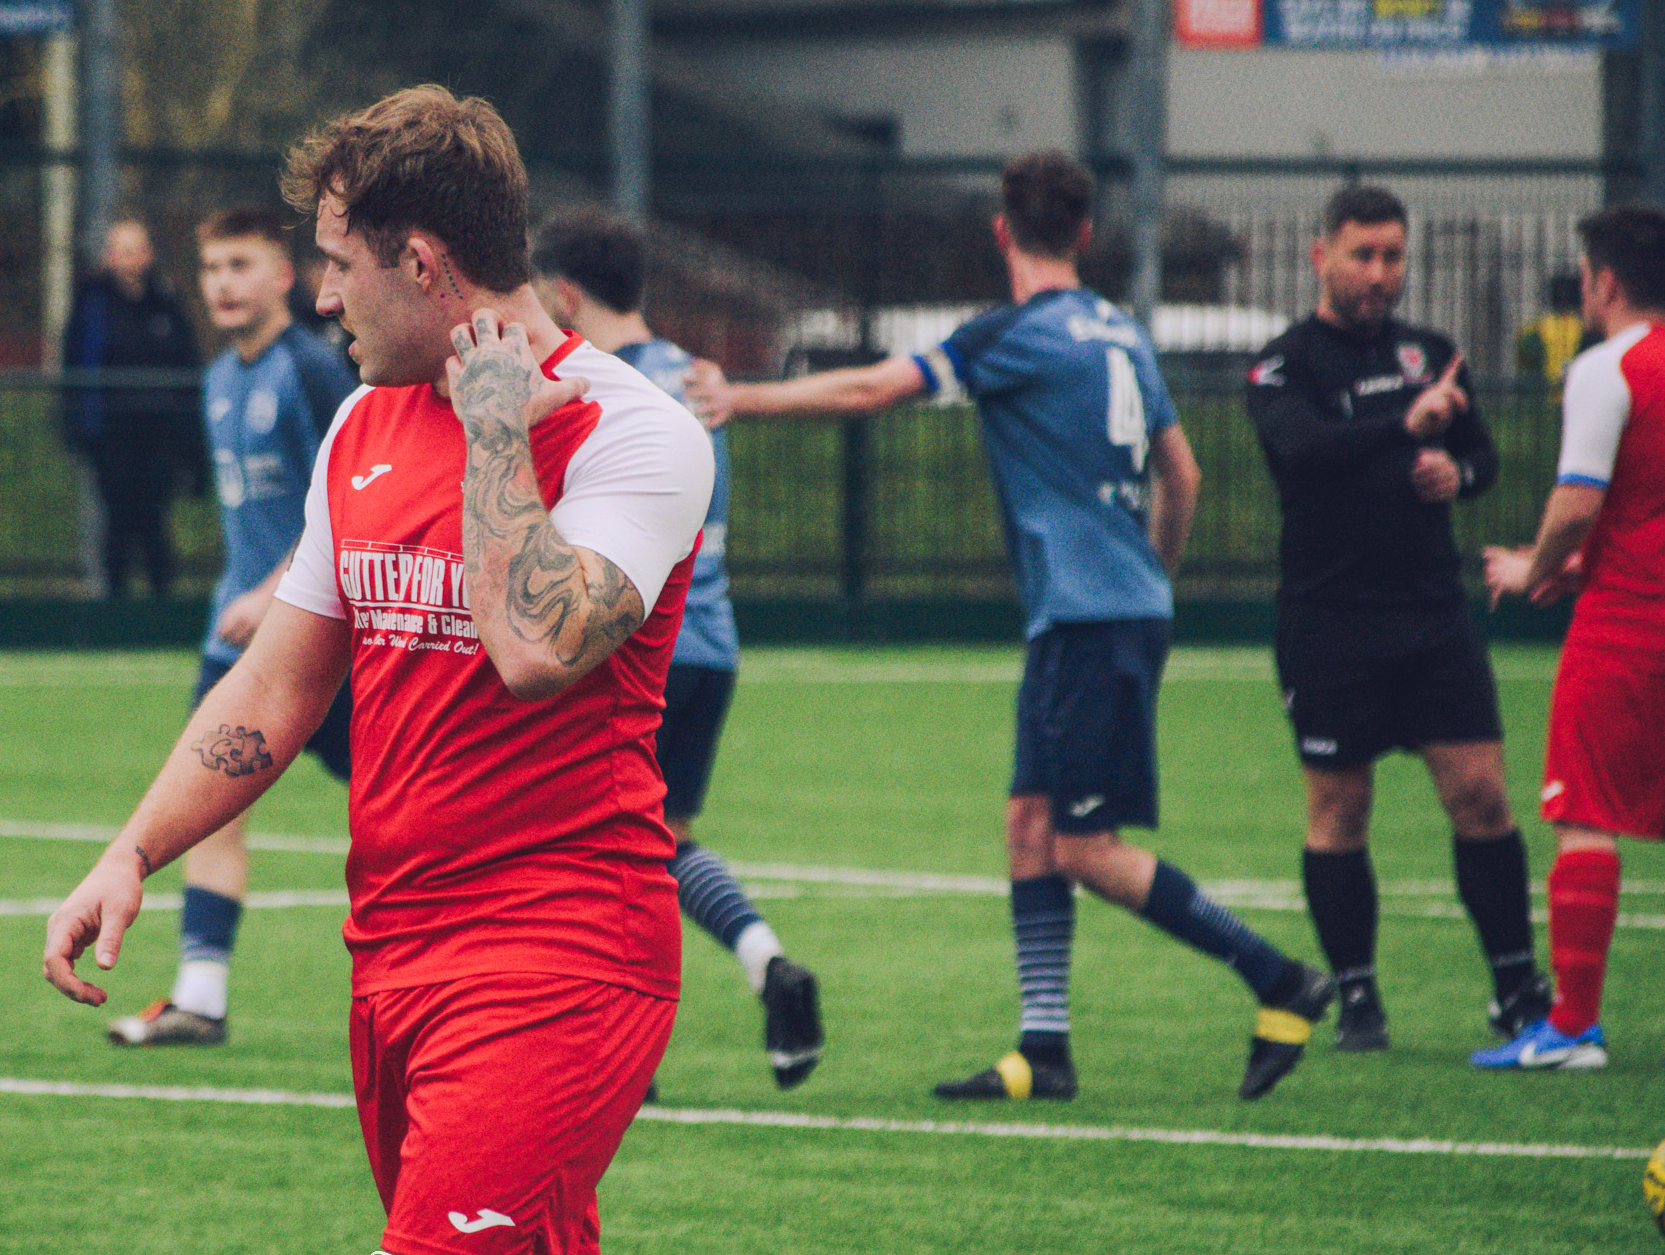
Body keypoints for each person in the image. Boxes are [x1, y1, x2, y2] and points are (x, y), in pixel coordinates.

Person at [44, 85, 708, 1255]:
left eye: (339, 264)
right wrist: (133, 849)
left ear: (422, 262)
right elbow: (277, 684)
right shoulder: (361, 419)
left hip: (557, 959)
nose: (323, 296)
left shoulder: (637, 432)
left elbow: (536, 647)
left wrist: (497, 430)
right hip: (395, 955)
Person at [686, 150, 1334, 1103]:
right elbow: (1183, 473)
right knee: (1030, 824)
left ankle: (1278, 977)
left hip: (1087, 619)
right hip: (1101, 612)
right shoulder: (1119, 330)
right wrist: (1152, 576)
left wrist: (741, 397)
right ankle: (1043, 1049)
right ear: (1083, 234)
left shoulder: (1011, 334)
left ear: (1002, 232)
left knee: (1085, 847)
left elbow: (872, 391)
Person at [1244, 184, 1545, 1055]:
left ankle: (1516, 988)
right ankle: (1359, 997)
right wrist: (1402, 427)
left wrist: (1460, 474)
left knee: (1482, 793)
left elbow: (1481, 455)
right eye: (1363, 255)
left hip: (1431, 614)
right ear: (1321, 257)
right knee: (1340, 808)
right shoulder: (1283, 364)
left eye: (1392, 256)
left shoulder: (1434, 354)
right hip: (1329, 621)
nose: (1380, 274)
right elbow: (1303, 451)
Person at [532, 205, 824, 1089]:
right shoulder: (698, 376)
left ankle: (618, 1043)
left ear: (566, 294)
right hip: (713, 643)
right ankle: (766, 960)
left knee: (578, 843)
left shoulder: (595, 387)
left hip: (636, 645)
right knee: (662, 840)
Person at [107, 207, 358, 1047]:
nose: (223, 282)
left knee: (424, 816)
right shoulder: (218, 379)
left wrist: (279, 587)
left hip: (327, 643)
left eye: (241, 264)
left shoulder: (313, 369)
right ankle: (200, 996)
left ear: (284, 275)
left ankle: (537, 989)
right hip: (239, 646)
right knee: (210, 807)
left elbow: (355, 496)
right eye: (212, 267)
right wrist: (244, 598)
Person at [1475, 202, 1665, 1071]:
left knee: (1584, 811)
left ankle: (1572, 1027)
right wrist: (1583, 560)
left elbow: (1581, 498)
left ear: (1606, 282)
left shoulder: (1605, 367)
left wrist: (1534, 567)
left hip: (1629, 623)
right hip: (1627, 586)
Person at [61, 217, 202, 597]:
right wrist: (79, 427)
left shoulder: (167, 302)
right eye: (122, 251)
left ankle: (161, 602)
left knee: (154, 519)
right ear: (109, 257)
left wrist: (188, 432)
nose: (130, 259)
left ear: (149, 254)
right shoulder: (92, 306)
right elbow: (75, 367)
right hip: (112, 437)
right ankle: (115, 603)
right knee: (118, 521)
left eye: (136, 250)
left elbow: (186, 362)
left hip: (160, 436)